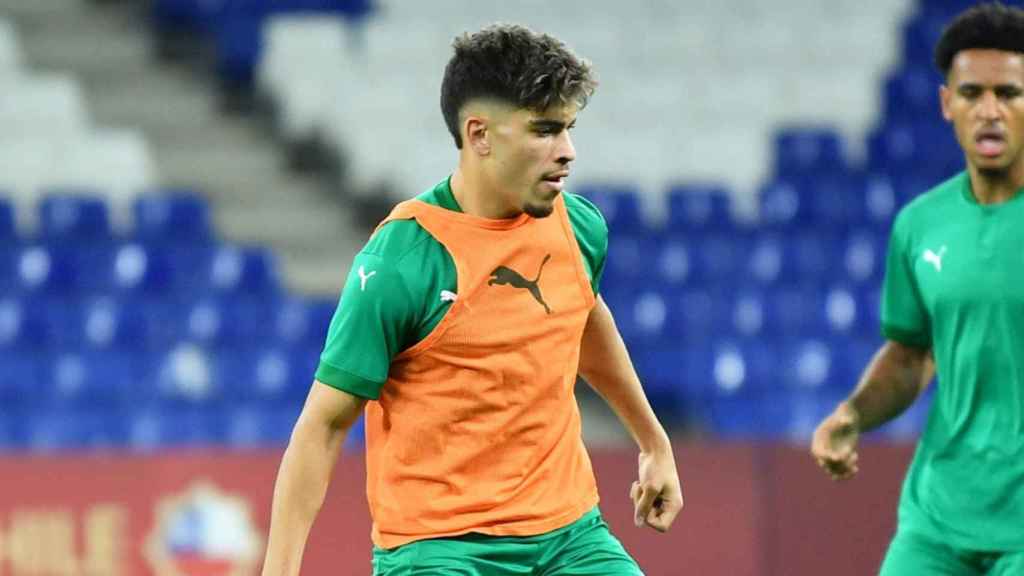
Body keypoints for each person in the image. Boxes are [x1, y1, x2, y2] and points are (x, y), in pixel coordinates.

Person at [261, 23, 683, 576]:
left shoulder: (578, 227)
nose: (568, 151)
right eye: (545, 130)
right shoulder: (403, 260)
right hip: (440, 549)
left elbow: (580, 317)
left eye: (570, 129)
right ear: (479, 133)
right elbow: (323, 426)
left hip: (570, 538)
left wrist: (654, 442)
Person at [810, 3, 1024, 574]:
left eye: (1009, 93)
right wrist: (851, 416)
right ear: (946, 103)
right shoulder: (920, 224)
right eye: (972, 92)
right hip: (938, 518)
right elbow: (911, 355)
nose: (990, 111)